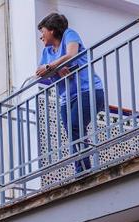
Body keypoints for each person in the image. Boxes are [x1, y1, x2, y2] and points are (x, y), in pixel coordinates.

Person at [35, 13, 106, 173]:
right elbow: (40, 75)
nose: (41, 37)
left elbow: (72, 54)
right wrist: (56, 68)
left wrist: (51, 67)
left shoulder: (69, 34)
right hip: (65, 99)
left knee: (75, 126)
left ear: (52, 30)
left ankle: (83, 170)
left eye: (43, 32)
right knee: (73, 132)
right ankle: (82, 168)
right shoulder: (47, 52)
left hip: (89, 91)